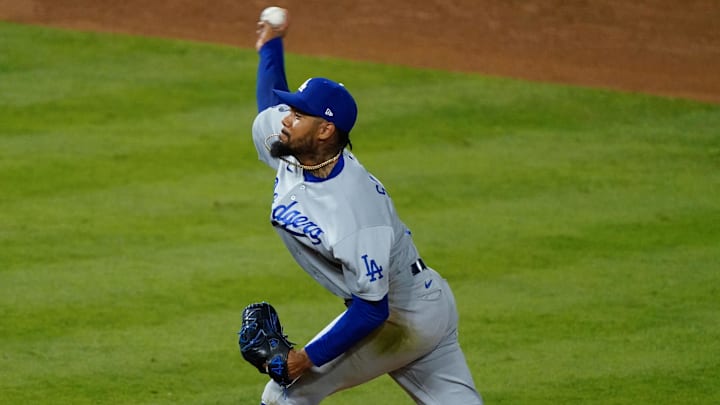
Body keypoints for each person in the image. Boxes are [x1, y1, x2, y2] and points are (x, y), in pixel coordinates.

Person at [249, 9, 483, 405]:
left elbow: (371, 311)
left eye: (299, 114)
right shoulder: (293, 149)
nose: (286, 120)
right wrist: (271, 43)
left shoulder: (355, 213)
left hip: (401, 319)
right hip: (426, 299)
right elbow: (268, 105)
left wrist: (305, 360)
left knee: (283, 396)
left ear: (325, 131)